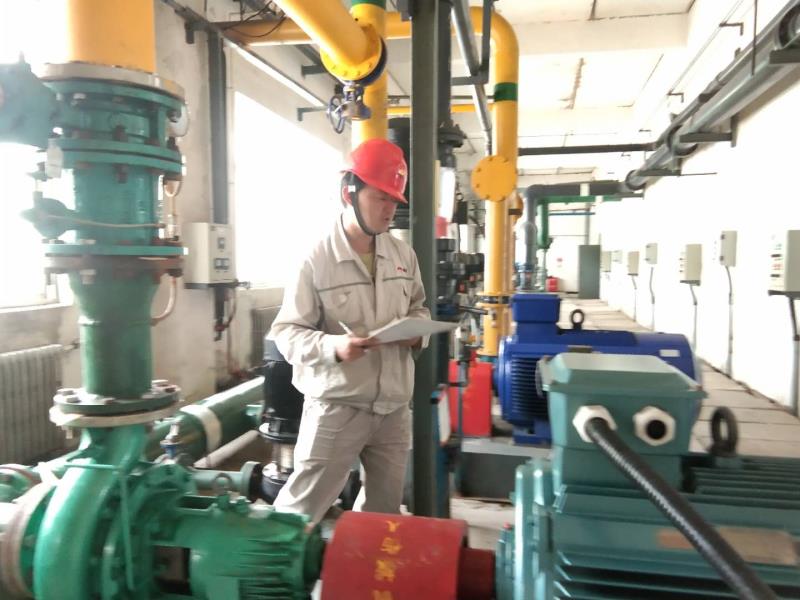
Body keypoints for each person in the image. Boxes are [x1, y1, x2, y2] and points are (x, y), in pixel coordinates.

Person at [269, 138, 430, 524]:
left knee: (382, 517)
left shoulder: (403, 255)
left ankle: (362, 563)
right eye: (380, 198)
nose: (389, 209)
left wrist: (418, 332)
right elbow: (286, 333)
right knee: (299, 513)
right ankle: (274, 563)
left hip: (393, 408)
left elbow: (419, 307)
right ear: (349, 193)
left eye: (394, 201)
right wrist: (333, 347)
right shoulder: (316, 258)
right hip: (337, 408)